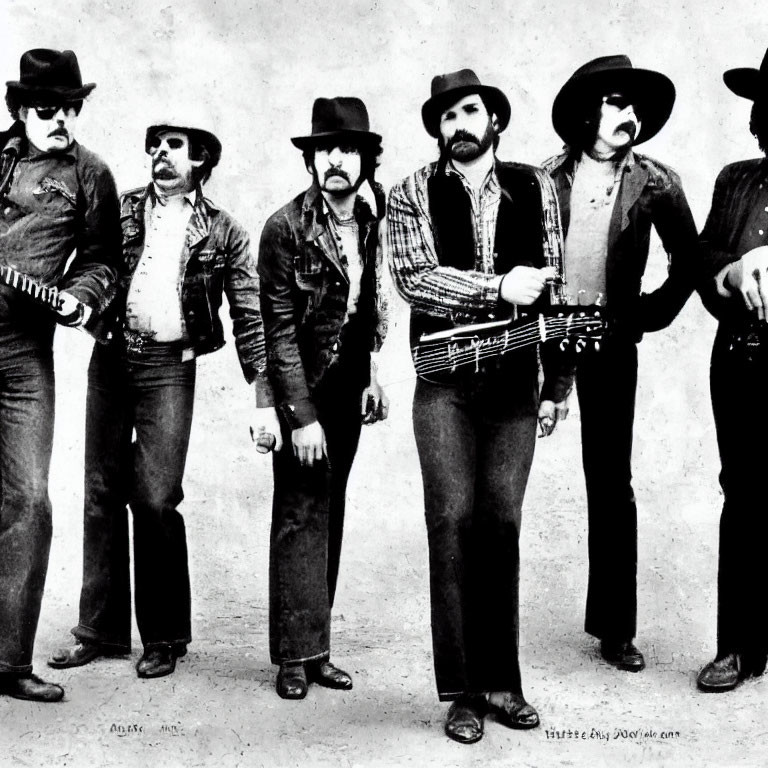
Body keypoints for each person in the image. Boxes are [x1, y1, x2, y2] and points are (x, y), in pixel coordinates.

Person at [48, 113, 279, 679]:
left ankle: (165, 637)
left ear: (200, 158)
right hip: (111, 358)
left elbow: (250, 316)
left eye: (175, 146)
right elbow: (92, 269)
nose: (162, 154)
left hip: (169, 369)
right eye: (155, 145)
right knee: (100, 491)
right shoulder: (121, 208)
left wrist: (264, 396)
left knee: (154, 498)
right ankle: (99, 632)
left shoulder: (224, 231)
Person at [387, 68, 571, 744]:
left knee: (502, 522)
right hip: (444, 387)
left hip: (515, 386)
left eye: (469, 111)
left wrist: (557, 385)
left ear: (494, 118)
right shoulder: (410, 190)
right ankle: (463, 692)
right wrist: (499, 287)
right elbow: (415, 279)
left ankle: (503, 682)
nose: (457, 125)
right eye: (445, 117)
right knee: (453, 519)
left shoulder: (535, 185)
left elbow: (551, 285)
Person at [542, 55, 699, 672]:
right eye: (614, 103)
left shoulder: (656, 182)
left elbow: (688, 259)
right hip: (541, 337)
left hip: (610, 340)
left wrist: (647, 314)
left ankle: (615, 628)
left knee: (611, 483)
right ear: (587, 112)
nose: (628, 116)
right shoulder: (542, 178)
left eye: (634, 107)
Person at [258, 96, 389, 700]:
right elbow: (277, 331)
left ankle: (318, 652)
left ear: (367, 159)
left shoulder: (373, 215)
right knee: (299, 511)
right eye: (325, 151)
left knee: (330, 509)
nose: (336, 161)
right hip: (303, 387)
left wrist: (373, 374)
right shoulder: (285, 227)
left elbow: (371, 304)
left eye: (349, 150)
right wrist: (299, 415)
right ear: (311, 161)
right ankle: (292, 655)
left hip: (350, 381)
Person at [0, 48, 120, 702]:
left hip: (22, 352)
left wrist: (82, 295)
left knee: (27, 500)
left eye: (73, 108)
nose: (63, 121)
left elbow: (103, 258)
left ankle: (8, 661)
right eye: (49, 109)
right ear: (20, 109)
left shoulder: (90, 174)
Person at [696, 46, 768, 692]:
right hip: (742, 362)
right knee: (743, 496)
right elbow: (704, 260)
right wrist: (732, 269)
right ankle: (738, 647)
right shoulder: (736, 181)